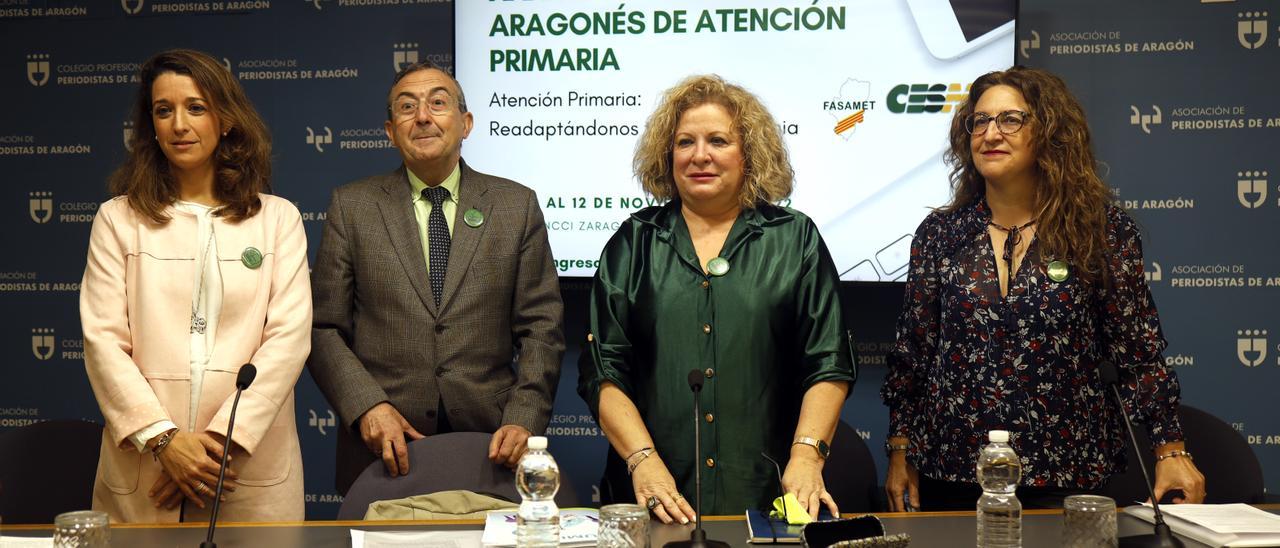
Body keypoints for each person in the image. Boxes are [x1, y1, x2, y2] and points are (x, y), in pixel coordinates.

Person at [881, 66, 1206, 511]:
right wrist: (901, 450)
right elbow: (912, 356)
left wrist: (1170, 450)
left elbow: (1138, 354)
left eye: (1010, 119)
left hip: (1066, 470)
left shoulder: (1100, 231)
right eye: (980, 121)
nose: (991, 132)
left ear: (1049, 133)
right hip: (953, 470)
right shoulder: (941, 234)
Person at [577, 75, 856, 522]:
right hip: (658, 497)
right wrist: (643, 460)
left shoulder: (794, 238)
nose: (700, 155)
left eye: (718, 140)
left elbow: (829, 359)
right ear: (668, 157)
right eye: (685, 142)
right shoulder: (636, 241)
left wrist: (807, 456)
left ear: (749, 154)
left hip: (767, 495)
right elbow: (602, 368)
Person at [308, 60, 565, 496]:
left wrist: (523, 415)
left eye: (438, 103)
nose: (423, 116)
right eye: (407, 107)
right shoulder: (353, 207)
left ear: (465, 124)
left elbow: (541, 326)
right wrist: (367, 406)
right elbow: (323, 327)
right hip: (385, 448)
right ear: (390, 131)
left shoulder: (515, 206)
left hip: (491, 445)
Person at [81, 49, 310, 522]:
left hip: (244, 470)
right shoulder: (117, 219)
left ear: (226, 118)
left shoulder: (277, 219)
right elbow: (103, 340)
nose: (179, 124)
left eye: (196, 107)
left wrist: (214, 447)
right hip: (145, 468)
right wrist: (164, 440)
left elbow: (288, 339)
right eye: (164, 110)